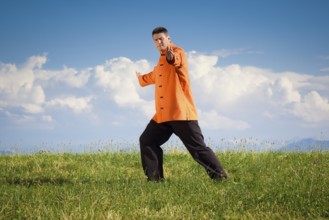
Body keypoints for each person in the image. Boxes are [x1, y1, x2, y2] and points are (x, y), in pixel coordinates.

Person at [136, 26, 228, 182]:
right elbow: (154, 76)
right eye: (155, 41)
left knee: (197, 149)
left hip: (180, 113)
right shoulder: (160, 63)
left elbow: (176, 61)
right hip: (163, 115)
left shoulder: (177, 52)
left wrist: (171, 57)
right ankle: (155, 181)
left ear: (168, 39)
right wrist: (140, 78)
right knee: (147, 141)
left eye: (161, 39)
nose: (158, 42)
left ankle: (221, 178)